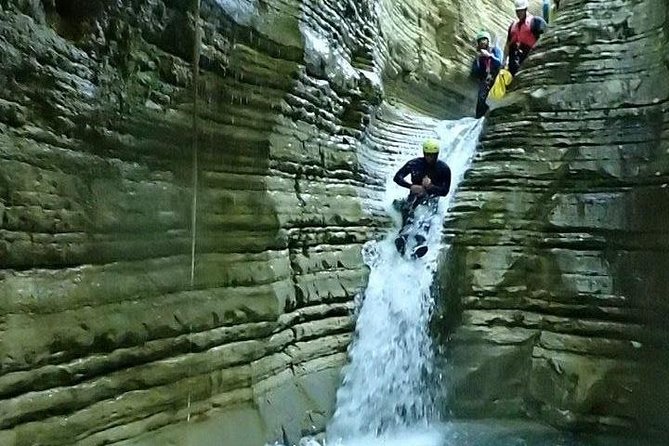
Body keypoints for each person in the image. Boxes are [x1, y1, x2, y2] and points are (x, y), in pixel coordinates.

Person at [392, 139, 452, 257]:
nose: (430, 158)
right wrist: (411, 186)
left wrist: (430, 187)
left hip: (431, 198)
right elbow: (397, 177)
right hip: (414, 196)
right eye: (427, 155)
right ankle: (403, 238)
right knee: (409, 208)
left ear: (437, 155)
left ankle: (420, 242)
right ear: (424, 153)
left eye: (432, 155)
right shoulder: (415, 164)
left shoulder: (443, 168)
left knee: (427, 213)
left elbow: (445, 192)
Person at [504, 0, 547, 76]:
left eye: (521, 11)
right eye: (517, 11)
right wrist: (504, 61)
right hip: (514, 64)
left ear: (525, 9)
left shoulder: (536, 22)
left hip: (530, 61)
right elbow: (508, 44)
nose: (519, 13)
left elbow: (545, 37)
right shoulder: (513, 26)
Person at [471, 30, 503, 118]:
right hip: (485, 80)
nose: (482, 42)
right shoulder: (479, 58)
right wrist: (478, 61)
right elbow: (476, 73)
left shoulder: (495, 50)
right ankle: (479, 117)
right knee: (481, 98)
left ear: (488, 41)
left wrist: (489, 55)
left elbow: (500, 63)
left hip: (496, 78)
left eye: (484, 40)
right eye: (480, 41)